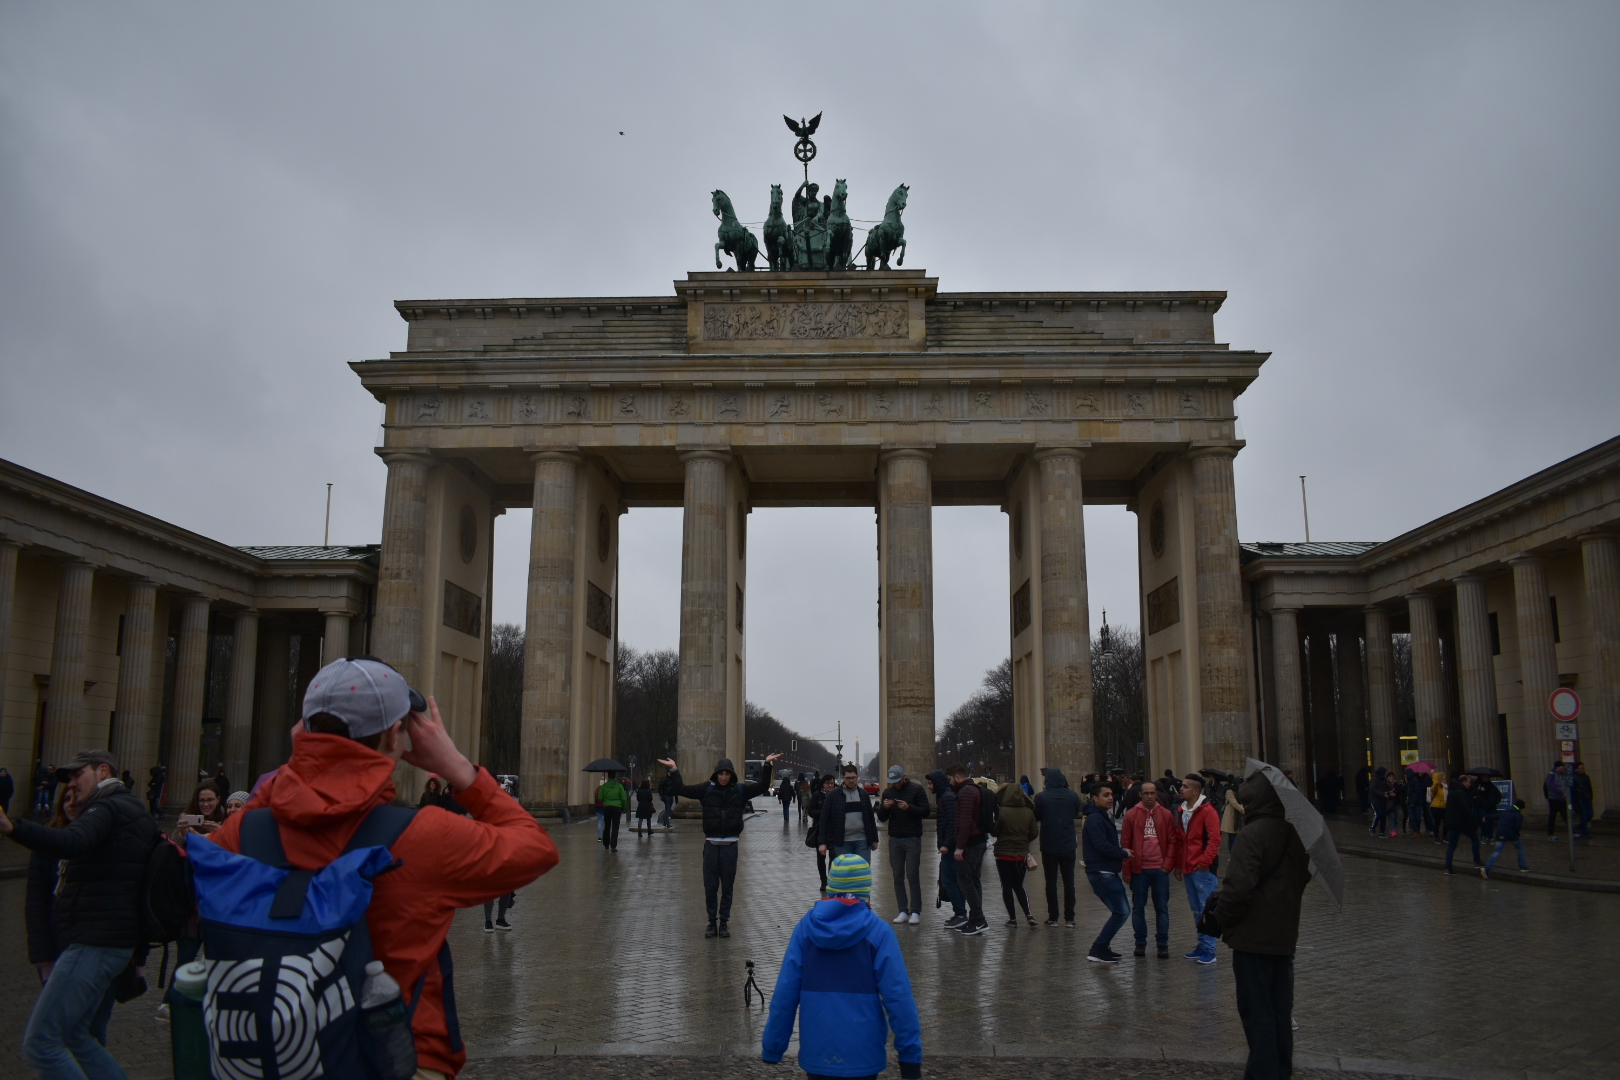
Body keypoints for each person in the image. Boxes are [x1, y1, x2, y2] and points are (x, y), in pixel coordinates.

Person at [205, 655, 558, 1079]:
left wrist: (298, 766)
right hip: (398, 1060)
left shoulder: (239, 834)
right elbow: (536, 847)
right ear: (396, 736)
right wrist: (458, 769)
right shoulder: (423, 836)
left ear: (303, 733)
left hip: (269, 1061)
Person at [1, 748, 158, 1079]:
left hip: (95, 941)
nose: (71, 783)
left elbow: (72, 841)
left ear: (103, 772)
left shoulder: (107, 806)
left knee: (42, 1042)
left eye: (77, 774)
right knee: (77, 1036)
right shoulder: (130, 808)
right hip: (108, 941)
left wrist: (13, 827)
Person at [761, 853, 923, 1080]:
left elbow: (785, 993)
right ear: (866, 891)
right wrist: (910, 1056)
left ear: (830, 889)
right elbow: (899, 997)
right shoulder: (879, 933)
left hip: (818, 1053)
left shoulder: (805, 929)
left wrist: (773, 1045)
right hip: (863, 1054)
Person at [1216, 768, 1313, 1080]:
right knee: (1279, 1014)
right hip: (1284, 936)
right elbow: (1303, 877)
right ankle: (1280, 1071)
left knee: (1257, 1014)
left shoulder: (1253, 834)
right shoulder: (1296, 833)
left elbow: (1237, 889)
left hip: (1253, 938)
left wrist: (1223, 919)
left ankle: (1262, 1074)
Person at [658, 751, 781, 938]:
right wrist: (674, 769)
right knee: (710, 887)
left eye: (727, 774)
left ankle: (724, 922)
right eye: (721, 774)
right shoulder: (706, 789)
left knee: (728, 887)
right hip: (711, 845)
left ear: (732, 775)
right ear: (716, 774)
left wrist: (767, 765)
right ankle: (711, 922)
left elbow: (763, 786)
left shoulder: (740, 790)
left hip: (730, 845)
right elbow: (682, 789)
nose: (724, 777)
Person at [1122, 780, 1180, 959]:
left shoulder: (1165, 814)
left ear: (1156, 794)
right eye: (1146, 793)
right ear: (1140, 795)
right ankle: (1140, 942)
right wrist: (1127, 870)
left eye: (1152, 793)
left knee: (1162, 908)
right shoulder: (1131, 815)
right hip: (1139, 869)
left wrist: (1167, 866)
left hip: (1159, 870)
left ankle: (1162, 944)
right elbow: (1125, 844)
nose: (1149, 796)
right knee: (1138, 908)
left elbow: (1172, 841)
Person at [1174, 773, 1222, 964]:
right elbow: (1181, 840)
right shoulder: (1183, 810)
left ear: (1196, 791)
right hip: (1189, 867)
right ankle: (1202, 945)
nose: (1181, 789)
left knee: (1206, 909)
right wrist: (1179, 864)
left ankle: (1209, 950)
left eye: (1185, 786)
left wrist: (1205, 861)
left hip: (1202, 869)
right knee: (1196, 909)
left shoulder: (1207, 810)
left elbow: (1215, 839)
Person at [1081, 783, 1132, 962]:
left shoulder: (1101, 815)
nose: (1111, 798)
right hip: (1102, 872)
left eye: (1112, 795)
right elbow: (1102, 845)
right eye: (1106, 795)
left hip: (1107, 870)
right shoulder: (1095, 818)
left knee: (1120, 911)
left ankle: (1102, 947)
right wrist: (1123, 853)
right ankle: (1098, 949)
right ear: (1095, 798)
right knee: (1121, 912)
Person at [876, 764, 930, 925]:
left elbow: (926, 811)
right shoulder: (888, 792)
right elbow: (882, 818)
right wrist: (884, 808)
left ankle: (915, 911)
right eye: (893, 782)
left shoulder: (917, 790)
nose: (896, 785)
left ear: (904, 777)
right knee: (897, 876)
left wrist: (909, 807)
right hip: (895, 838)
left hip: (912, 837)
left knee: (912, 876)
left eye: (898, 781)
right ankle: (903, 910)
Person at [1032, 766, 1081, 928]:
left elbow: (1036, 817)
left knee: (1051, 882)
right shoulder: (1073, 796)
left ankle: (1053, 917)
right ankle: (1070, 917)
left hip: (1049, 845)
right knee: (1069, 882)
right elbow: (1076, 813)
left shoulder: (1041, 797)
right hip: (1068, 844)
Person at [946, 764, 990, 936]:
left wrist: (960, 847)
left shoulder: (965, 792)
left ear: (957, 777)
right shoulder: (974, 789)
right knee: (974, 880)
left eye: (950, 779)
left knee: (964, 880)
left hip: (971, 843)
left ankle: (979, 920)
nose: (950, 783)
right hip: (979, 840)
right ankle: (974, 919)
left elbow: (965, 821)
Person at [992, 779, 1039, 927]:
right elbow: (1034, 832)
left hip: (1003, 854)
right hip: (1021, 854)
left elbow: (995, 831)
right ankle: (1029, 914)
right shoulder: (1028, 812)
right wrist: (1024, 841)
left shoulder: (1001, 811)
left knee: (1006, 886)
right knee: (1019, 885)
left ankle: (1012, 918)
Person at [818, 763, 879, 863]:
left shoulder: (863, 794)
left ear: (857, 777)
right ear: (843, 778)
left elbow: (870, 818)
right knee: (846, 871)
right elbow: (824, 819)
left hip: (862, 841)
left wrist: (875, 839)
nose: (851, 781)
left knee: (862, 870)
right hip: (842, 842)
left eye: (853, 778)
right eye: (848, 778)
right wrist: (822, 842)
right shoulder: (833, 795)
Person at [1442, 773, 1482, 873]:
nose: (1470, 784)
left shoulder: (1452, 791)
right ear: (1464, 782)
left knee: (1451, 845)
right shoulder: (1461, 793)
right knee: (1475, 838)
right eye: (1468, 782)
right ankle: (1477, 860)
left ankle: (1448, 867)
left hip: (1452, 822)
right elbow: (1465, 810)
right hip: (1462, 823)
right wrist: (1473, 822)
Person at [1483, 797, 1529, 877]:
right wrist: (1517, 833)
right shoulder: (1518, 815)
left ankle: (1486, 868)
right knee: (1520, 848)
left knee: (1496, 851)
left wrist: (1486, 817)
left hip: (1500, 833)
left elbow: (1496, 816)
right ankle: (1523, 867)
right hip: (1512, 835)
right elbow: (1517, 827)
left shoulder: (1505, 811)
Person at [597, 772, 628, 851]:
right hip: (617, 808)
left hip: (607, 807)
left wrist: (606, 799)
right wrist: (624, 808)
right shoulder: (619, 786)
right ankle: (613, 846)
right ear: (615, 776)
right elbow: (624, 799)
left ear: (608, 776)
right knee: (615, 827)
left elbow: (600, 798)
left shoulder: (604, 786)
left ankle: (606, 844)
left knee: (607, 826)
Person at [1544, 762, 1572, 838]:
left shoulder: (1563, 775)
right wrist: (1562, 792)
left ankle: (1572, 832)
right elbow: (1552, 786)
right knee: (1552, 817)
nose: (1563, 768)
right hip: (1554, 799)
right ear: (1557, 767)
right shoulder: (1551, 775)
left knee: (1566, 816)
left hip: (1562, 799)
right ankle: (1550, 833)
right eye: (1561, 767)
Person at [1573, 762, 1595, 839]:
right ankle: (1584, 831)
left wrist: (1591, 796)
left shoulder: (1586, 777)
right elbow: (1574, 790)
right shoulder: (1574, 778)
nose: (1583, 769)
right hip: (1580, 799)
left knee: (1590, 814)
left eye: (1583, 767)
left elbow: (1589, 787)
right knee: (1584, 815)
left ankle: (1580, 826)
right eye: (1581, 768)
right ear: (1577, 769)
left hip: (1587, 798)